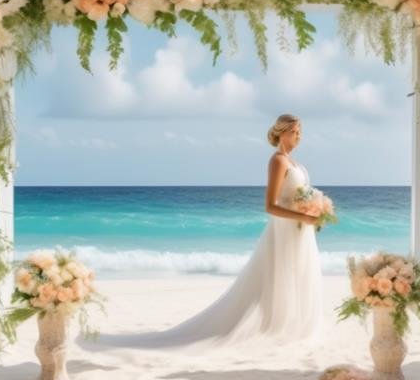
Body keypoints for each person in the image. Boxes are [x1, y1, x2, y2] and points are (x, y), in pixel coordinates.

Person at [89, 114, 324, 349]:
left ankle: (293, 323)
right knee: (278, 277)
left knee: (297, 274)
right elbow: (270, 206)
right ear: (282, 132)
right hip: (284, 230)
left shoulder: (297, 164)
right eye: (295, 131)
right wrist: (303, 215)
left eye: (300, 131)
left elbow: (299, 195)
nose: (299, 136)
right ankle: (272, 325)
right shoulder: (278, 161)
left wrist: (314, 209)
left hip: (300, 231)